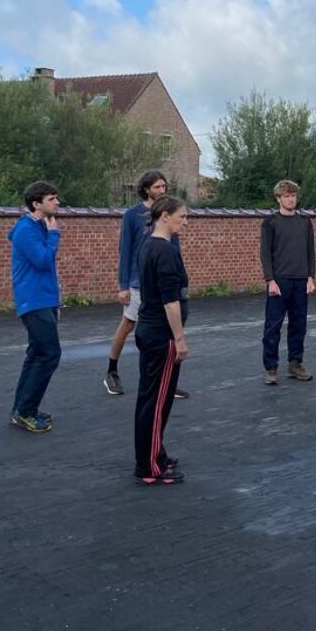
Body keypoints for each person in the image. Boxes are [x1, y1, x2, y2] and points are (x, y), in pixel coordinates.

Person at [104, 169, 188, 401]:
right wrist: (123, 285)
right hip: (137, 283)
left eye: (164, 187)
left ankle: (167, 379)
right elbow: (126, 250)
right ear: (146, 189)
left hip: (161, 283)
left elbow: (175, 249)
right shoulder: (132, 215)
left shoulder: (168, 214)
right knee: (129, 324)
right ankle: (112, 370)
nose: (162, 190)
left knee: (168, 329)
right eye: (157, 187)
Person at [134, 196, 190, 485]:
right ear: (165, 216)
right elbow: (170, 300)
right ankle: (150, 466)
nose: (185, 221)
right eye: (181, 216)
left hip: (148, 330)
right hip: (160, 335)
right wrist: (179, 338)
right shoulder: (164, 250)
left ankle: (155, 453)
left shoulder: (148, 245)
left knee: (150, 398)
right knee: (156, 402)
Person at [8, 180, 62, 434]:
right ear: (36, 203)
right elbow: (42, 260)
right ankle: (26, 412)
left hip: (45, 301)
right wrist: (53, 235)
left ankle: (22, 409)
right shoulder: (25, 230)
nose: (57, 202)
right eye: (52, 199)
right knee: (50, 354)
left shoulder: (39, 226)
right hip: (33, 301)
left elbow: (47, 266)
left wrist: (55, 302)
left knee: (36, 355)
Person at [261, 179, 316, 385]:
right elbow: (265, 253)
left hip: (301, 280)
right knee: (273, 326)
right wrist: (270, 280)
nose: (290, 199)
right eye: (286, 196)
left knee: (298, 325)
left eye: (293, 195)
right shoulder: (271, 223)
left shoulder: (304, 222)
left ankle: (295, 364)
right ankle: (271, 368)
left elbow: (310, 251)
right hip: (279, 281)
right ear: (278, 198)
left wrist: (311, 277)